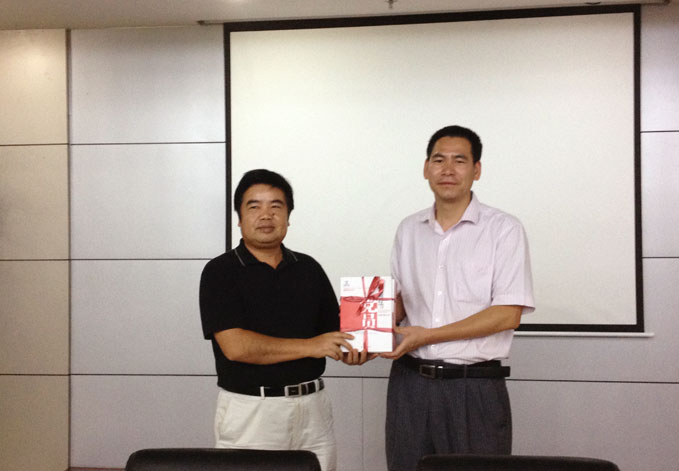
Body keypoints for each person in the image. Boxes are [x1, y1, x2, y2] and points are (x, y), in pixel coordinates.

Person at [382, 125, 535, 471]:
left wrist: (427, 336)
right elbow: (401, 300)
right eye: (439, 160)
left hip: (473, 387)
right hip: (409, 385)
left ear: (476, 170)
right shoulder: (409, 229)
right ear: (426, 168)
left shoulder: (503, 229)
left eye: (459, 161)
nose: (447, 169)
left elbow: (507, 314)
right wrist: (371, 330)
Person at [199, 169, 369, 471]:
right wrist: (312, 346)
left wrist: (363, 346)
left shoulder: (309, 268)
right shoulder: (220, 272)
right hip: (252, 411)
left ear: (288, 216)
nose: (266, 215)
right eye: (254, 206)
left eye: (276, 206)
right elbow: (236, 347)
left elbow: (334, 336)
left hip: (313, 409)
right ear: (239, 218)